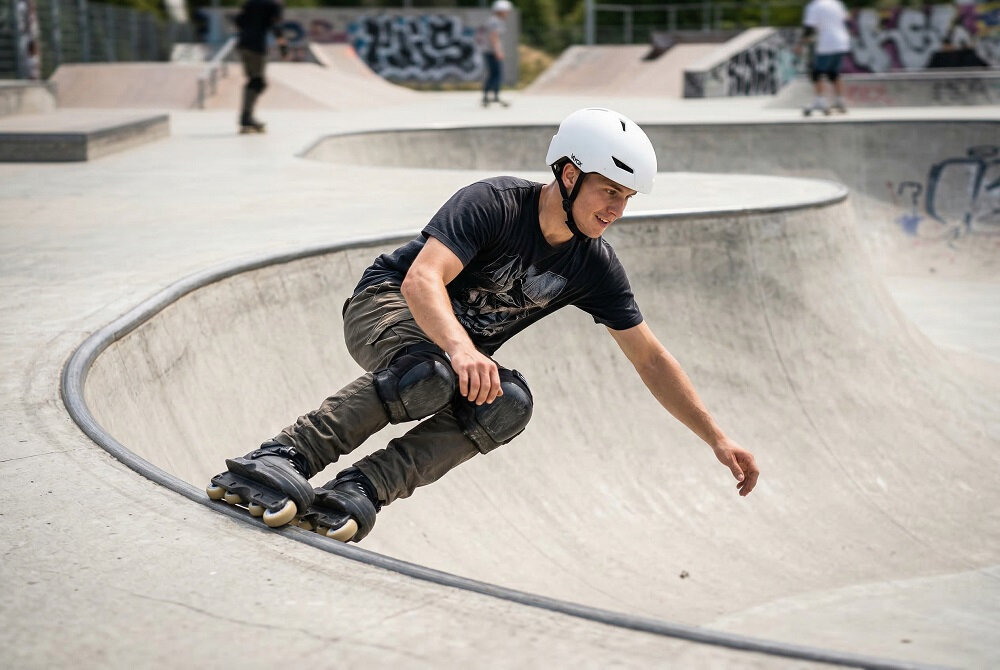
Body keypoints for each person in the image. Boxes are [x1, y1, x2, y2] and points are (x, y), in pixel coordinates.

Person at [206, 108, 761, 542]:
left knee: (507, 404)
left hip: (453, 351)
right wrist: (461, 348)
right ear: (568, 175)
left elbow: (650, 358)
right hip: (384, 307)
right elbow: (422, 280)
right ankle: (283, 455)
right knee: (429, 372)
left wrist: (716, 437)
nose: (617, 209)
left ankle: (361, 488)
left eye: (627, 197)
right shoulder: (493, 204)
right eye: (609, 191)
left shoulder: (594, 264)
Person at [234, 0, 287, 133]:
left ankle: (246, 116)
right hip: (257, 47)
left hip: (243, 44)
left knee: (253, 80)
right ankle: (246, 116)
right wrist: (283, 46)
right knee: (258, 82)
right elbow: (276, 27)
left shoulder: (250, 3)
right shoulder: (274, 5)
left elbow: (238, 21)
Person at [800, 0, 851, 116]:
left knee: (816, 73)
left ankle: (820, 101)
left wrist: (801, 45)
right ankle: (840, 101)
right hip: (842, 41)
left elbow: (809, 29)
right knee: (833, 73)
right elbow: (846, 20)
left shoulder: (813, 6)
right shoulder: (836, 3)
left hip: (827, 43)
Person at [482, 0, 512, 108]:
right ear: (501, 11)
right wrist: (498, 51)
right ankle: (492, 96)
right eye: (506, 11)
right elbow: (493, 37)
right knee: (496, 74)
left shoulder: (493, 20)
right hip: (492, 52)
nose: (507, 13)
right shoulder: (495, 21)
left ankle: (489, 96)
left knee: (493, 74)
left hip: (489, 51)